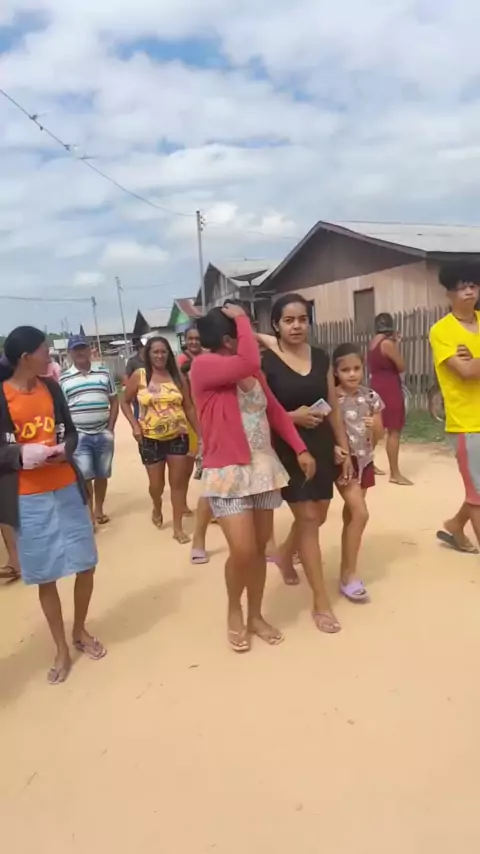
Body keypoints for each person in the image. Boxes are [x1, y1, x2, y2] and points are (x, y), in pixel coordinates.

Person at [191, 303, 315, 652]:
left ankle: (255, 616)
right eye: (243, 334)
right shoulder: (204, 366)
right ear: (229, 339)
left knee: (259, 549)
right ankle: (235, 609)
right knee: (243, 550)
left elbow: (275, 411)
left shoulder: (252, 372)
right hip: (227, 471)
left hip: (262, 469)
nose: (253, 340)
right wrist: (243, 318)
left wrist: (300, 448)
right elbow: (247, 361)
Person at [0, 327, 104, 684]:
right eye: (44, 350)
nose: (49, 355)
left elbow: (70, 432)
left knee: (86, 564)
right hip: (28, 498)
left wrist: (65, 450)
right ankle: (61, 647)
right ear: (25, 357)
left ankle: (79, 630)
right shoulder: (2, 396)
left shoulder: (52, 389)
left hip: (66, 489)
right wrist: (20, 454)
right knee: (46, 575)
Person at [260, 294, 352, 634]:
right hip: (287, 447)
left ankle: (285, 554)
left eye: (302, 319)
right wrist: (291, 417)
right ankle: (321, 602)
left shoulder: (321, 357)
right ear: (276, 325)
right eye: (288, 320)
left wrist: (343, 447)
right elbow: (259, 412)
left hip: (322, 443)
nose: (296, 326)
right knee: (309, 519)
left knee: (320, 513)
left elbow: (333, 406)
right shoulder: (266, 363)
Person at [121, 335, 200, 544]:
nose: (159, 355)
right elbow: (124, 401)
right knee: (156, 485)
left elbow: (189, 407)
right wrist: (134, 426)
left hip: (177, 436)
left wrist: (200, 434)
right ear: (148, 354)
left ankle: (177, 528)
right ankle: (157, 506)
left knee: (178, 484)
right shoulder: (140, 375)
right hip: (150, 439)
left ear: (169, 354)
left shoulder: (177, 376)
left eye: (163, 351)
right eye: (155, 352)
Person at [429, 263, 480, 552]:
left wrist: (475, 359)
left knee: (478, 489)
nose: (469, 291)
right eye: (462, 287)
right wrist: (471, 364)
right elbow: (467, 372)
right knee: (478, 496)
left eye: (473, 285)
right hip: (466, 423)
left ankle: (456, 525)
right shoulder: (442, 331)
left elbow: (474, 366)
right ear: (449, 293)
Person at [332, 343, 384, 600]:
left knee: (351, 516)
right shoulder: (332, 398)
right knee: (361, 514)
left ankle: (288, 553)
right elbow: (324, 429)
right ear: (335, 372)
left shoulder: (371, 397)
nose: (352, 374)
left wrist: (374, 426)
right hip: (344, 463)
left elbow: (380, 435)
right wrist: (334, 448)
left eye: (356, 368)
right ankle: (348, 575)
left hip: (365, 461)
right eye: (345, 370)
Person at [60, 334, 119, 526]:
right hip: (80, 435)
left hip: (103, 433)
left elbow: (114, 400)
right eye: (75, 349)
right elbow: (62, 410)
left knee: (102, 474)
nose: (80, 352)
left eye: (82, 348)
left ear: (89, 349)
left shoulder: (104, 373)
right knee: (85, 475)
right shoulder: (64, 379)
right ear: (69, 353)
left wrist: (110, 428)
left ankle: (99, 510)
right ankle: (89, 515)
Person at [367, 314, 411, 485]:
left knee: (377, 429)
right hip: (389, 387)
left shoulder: (374, 342)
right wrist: (396, 344)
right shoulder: (387, 343)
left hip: (376, 385)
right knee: (394, 430)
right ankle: (395, 473)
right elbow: (401, 366)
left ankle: (368, 465)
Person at [178, 327, 202, 516]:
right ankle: (182, 503)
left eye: (197, 338)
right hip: (188, 418)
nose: (194, 342)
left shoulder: (208, 357)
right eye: (190, 338)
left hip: (207, 416)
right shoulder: (180, 361)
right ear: (185, 340)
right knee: (187, 465)